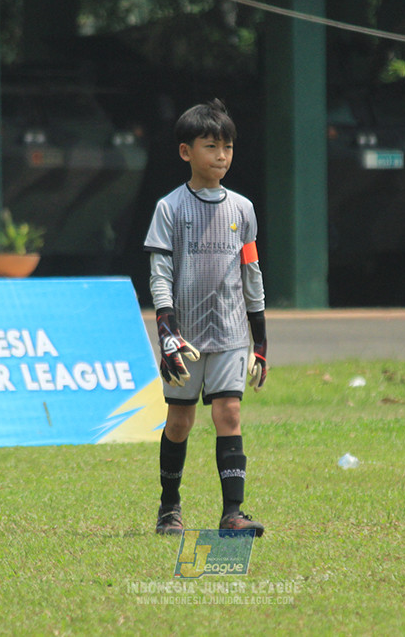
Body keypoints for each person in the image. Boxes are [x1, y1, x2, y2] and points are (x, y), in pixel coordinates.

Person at [143, 98, 268, 537]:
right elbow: (160, 275)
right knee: (179, 422)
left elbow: (251, 273)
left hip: (231, 334)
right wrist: (168, 333)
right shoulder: (170, 208)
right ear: (186, 151)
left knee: (228, 414)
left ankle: (233, 512)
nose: (221, 156)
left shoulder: (243, 209)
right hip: (185, 339)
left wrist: (260, 341)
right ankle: (169, 508)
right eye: (211, 146)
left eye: (228, 147)